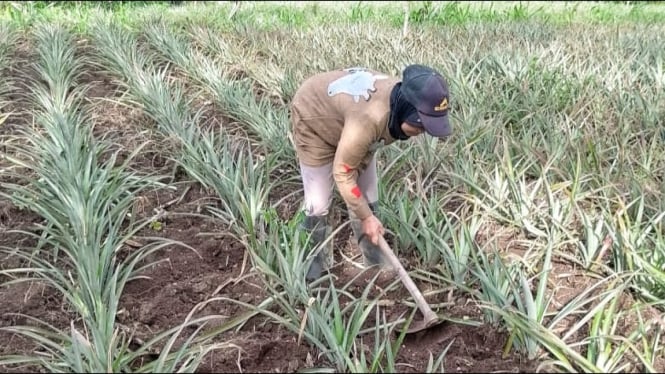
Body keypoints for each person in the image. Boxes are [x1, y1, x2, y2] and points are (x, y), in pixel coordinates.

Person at [290, 64, 452, 281]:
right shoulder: (370, 119)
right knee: (317, 203)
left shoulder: (402, 100)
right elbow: (343, 173)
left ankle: (374, 260)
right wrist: (366, 217)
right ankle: (313, 267)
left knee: (368, 195)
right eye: (420, 126)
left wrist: (367, 213)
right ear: (405, 110)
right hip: (314, 116)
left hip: (350, 124)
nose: (422, 133)